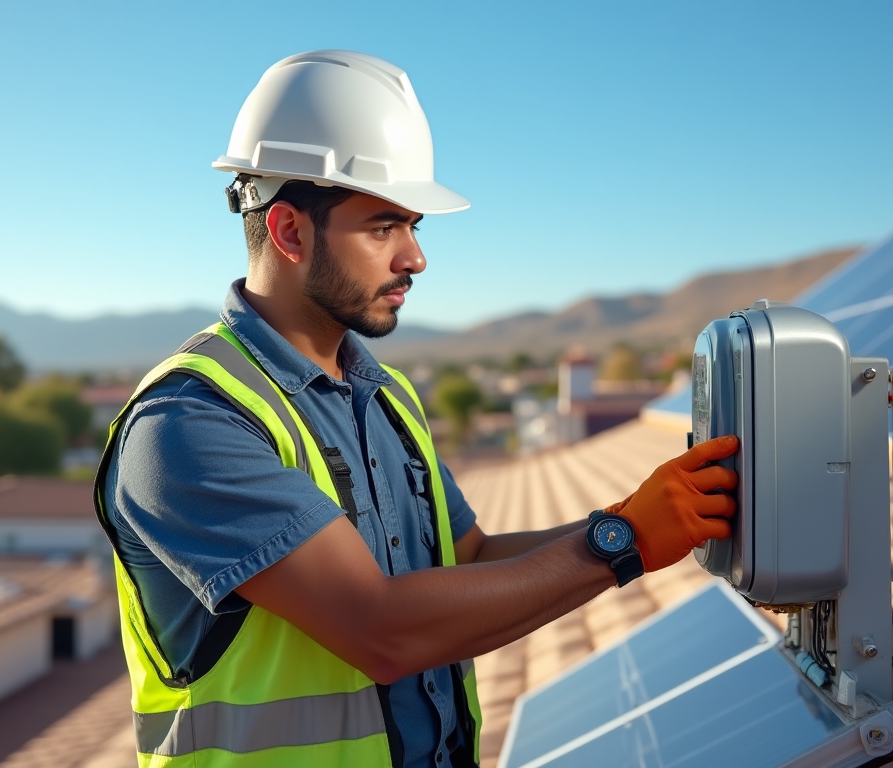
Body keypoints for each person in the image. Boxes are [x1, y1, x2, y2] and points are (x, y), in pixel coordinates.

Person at [94, 50, 738, 768]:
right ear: (289, 232)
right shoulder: (188, 424)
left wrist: (648, 508)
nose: (415, 258)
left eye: (415, 227)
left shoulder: (386, 398)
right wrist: (620, 543)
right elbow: (381, 631)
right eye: (383, 227)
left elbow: (472, 560)